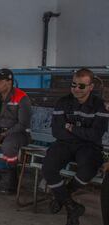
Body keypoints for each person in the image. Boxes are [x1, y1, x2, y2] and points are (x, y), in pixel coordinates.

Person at [42, 68, 109, 225]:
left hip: (89, 147)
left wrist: (72, 128)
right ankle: (72, 206)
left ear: (91, 87)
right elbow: (57, 131)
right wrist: (82, 132)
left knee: (88, 169)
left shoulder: (99, 106)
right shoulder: (62, 102)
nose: (76, 89)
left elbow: (95, 136)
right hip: (64, 144)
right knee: (48, 168)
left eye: (81, 86)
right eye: (73, 85)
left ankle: (63, 196)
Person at [0, 68, 31, 193]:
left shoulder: (22, 97)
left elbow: (22, 124)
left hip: (18, 133)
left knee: (8, 144)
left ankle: (13, 179)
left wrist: (2, 136)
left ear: (9, 82)